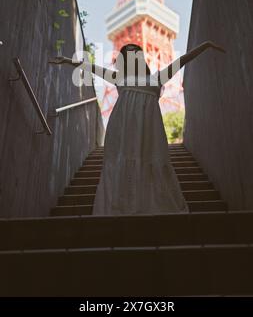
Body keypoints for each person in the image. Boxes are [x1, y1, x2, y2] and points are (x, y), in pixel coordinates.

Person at [49, 40, 225, 215]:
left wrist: (206, 45)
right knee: (123, 160)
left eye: (136, 52)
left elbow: (182, 60)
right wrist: (67, 60)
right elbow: (91, 67)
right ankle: (120, 207)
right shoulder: (119, 78)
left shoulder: (157, 77)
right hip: (123, 127)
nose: (132, 54)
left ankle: (152, 206)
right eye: (128, 52)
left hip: (150, 129)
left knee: (152, 160)